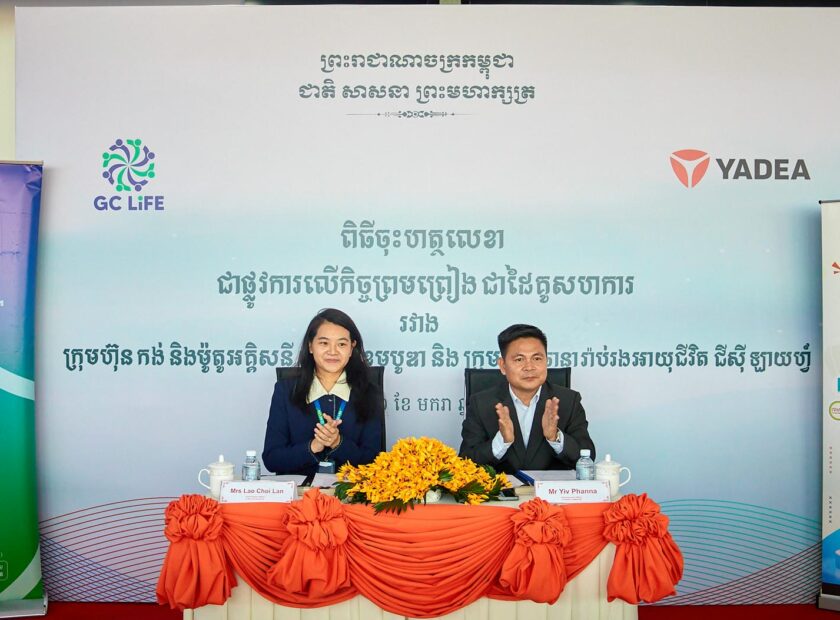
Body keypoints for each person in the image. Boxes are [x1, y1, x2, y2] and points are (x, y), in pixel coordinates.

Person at [459, 324, 595, 473]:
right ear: (503, 366)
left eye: (537, 358)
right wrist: (501, 442)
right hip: (502, 488)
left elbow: (587, 457)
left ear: (546, 361)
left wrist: (555, 437)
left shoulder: (569, 401)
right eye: (519, 359)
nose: (529, 367)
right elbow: (466, 463)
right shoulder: (481, 403)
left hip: (551, 488)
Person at [262, 308, 383, 475]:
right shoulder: (286, 390)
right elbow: (272, 459)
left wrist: (338, 443)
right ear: (310, 346)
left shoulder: (370, 393)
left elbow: (375, 462)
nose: (332, 351)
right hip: (300, 491)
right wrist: (313, 446)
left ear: (351, 348)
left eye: (341, 344)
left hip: (349, 490)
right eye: (324, 343)